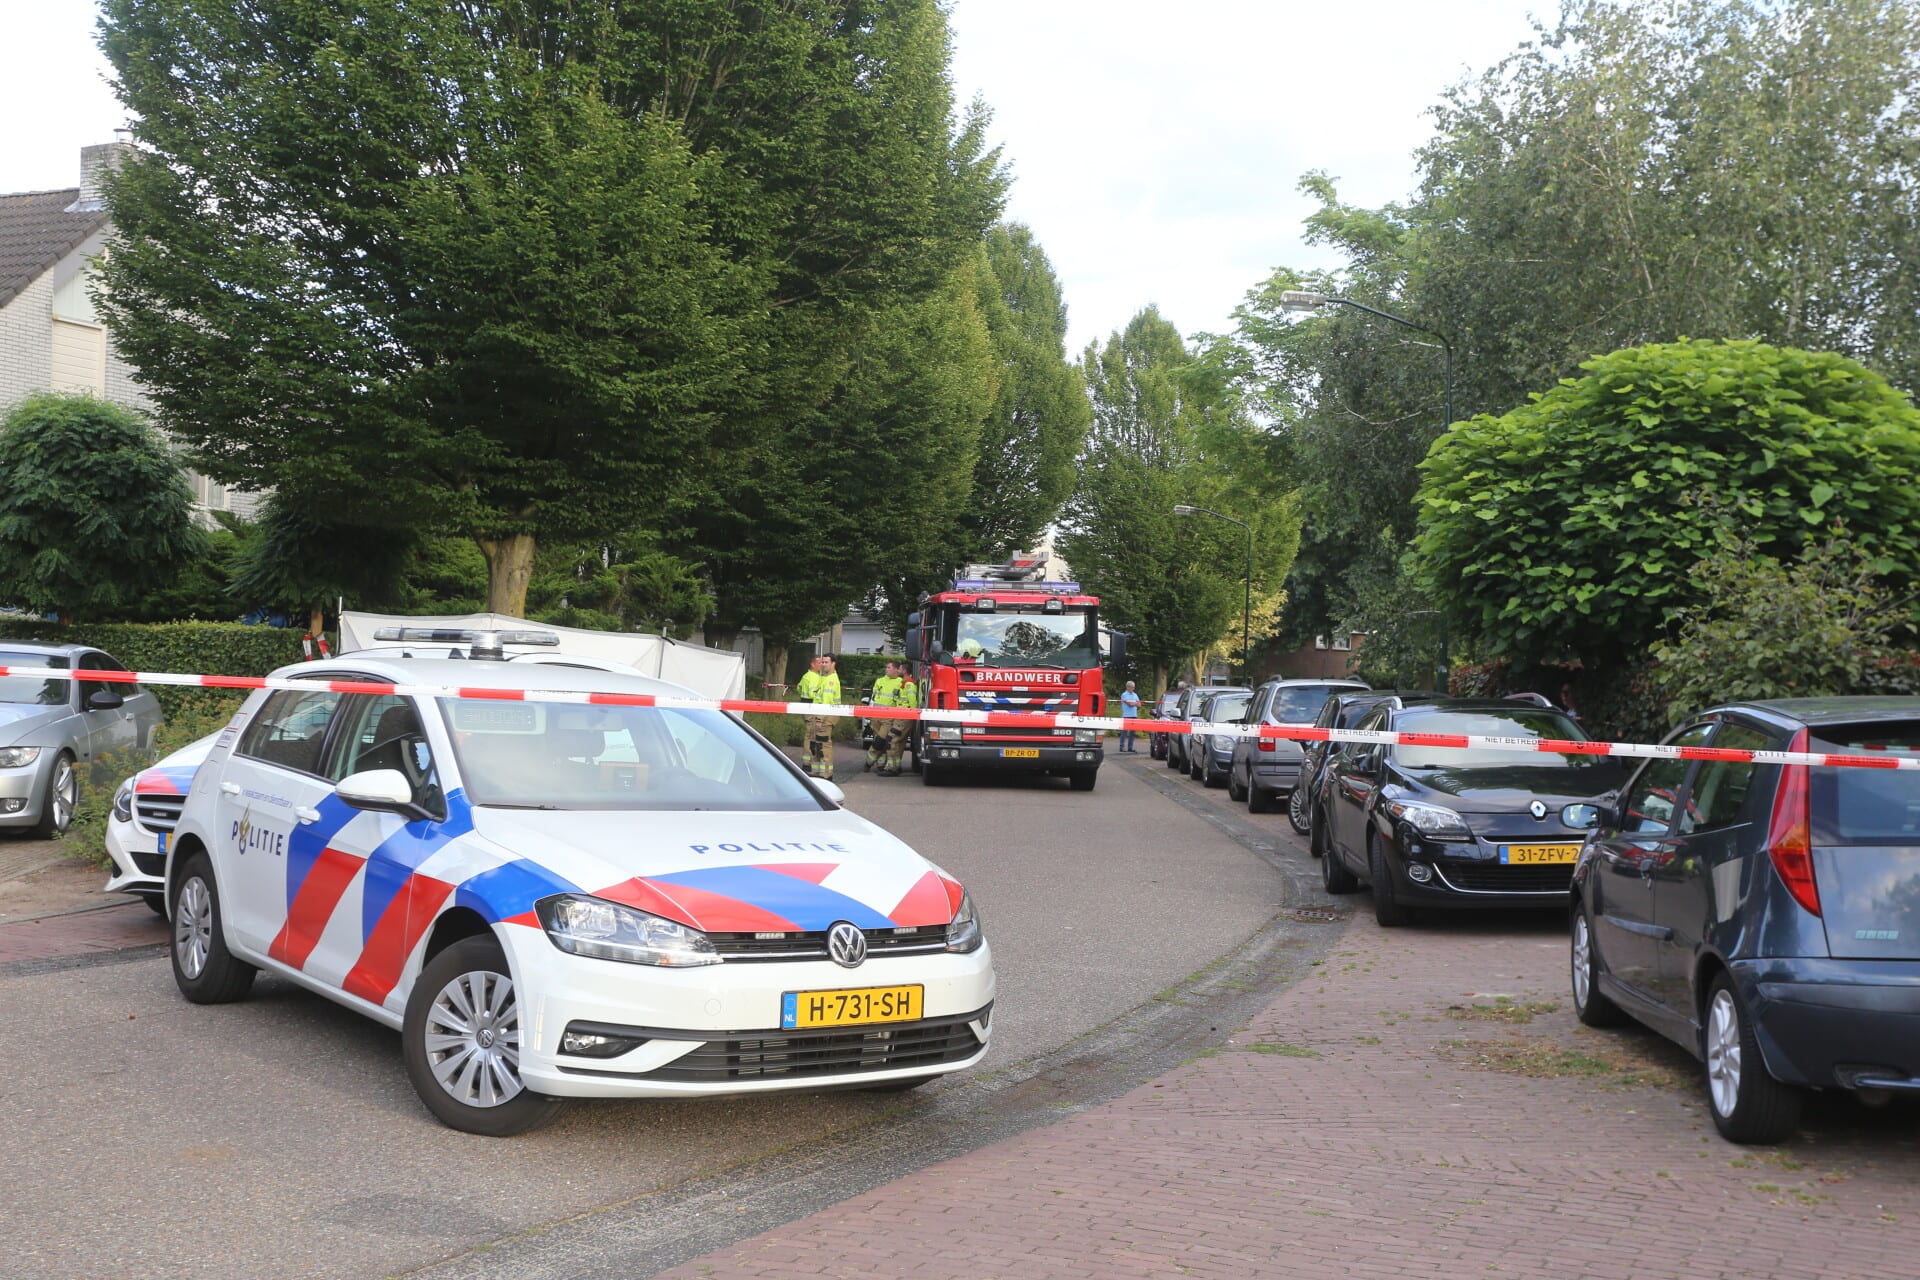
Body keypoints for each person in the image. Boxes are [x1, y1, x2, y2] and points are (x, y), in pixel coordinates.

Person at [796, 653, 842, 779]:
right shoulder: (824, 677)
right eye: (822, 662)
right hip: (820, 715)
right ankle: (816, 773)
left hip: (826, 717)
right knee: (815, 745)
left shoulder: (831, 680)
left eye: (826, 662)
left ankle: (826, 775)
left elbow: (826, 702)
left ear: (833, 664)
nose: (823, 664)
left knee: (823, 746)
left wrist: (820, 719)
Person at [868, 660, 917, 776]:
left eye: (899, 669)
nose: (898, 670)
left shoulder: (908, 684)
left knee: (892, 740)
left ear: (903, 671)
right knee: (898, 743)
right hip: (900, 716)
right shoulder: (904, 683)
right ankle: (895, 766)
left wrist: (911, 714)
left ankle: (892, 768)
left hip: (904, 716)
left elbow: (913, 703)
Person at [1118, 680, 1142, 753]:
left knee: (1132, 733)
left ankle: (1130, 747)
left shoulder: (1135, 694)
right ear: (1128, 687)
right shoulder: (1124, 694)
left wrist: (1134, 703)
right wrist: (1135, 703)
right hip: (1126, 716)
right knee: (1124, 732)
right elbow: (1129, 704)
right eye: (1132, 687)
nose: (1133, 689)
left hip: (1134, 716)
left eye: (1134, 687)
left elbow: (1140, 705)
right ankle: (1122, 747)